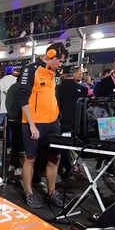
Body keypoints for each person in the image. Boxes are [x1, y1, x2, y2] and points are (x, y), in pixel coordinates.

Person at [17, 41, 69, 209]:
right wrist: (32, 125)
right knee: (30, 158)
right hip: (34, 123)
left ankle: (51, 192)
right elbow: (22, 99)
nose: (60, 65)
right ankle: (29, 194)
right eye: (60, 61)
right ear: (51, 55)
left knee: (55, 158)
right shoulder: (30, 69)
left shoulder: (52, 72)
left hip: (53, 124)